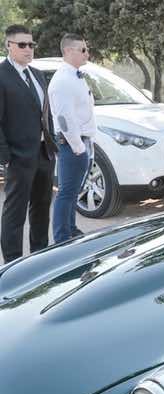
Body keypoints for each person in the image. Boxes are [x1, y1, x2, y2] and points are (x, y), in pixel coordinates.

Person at [0, 25, 56, 263]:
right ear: (8, 46)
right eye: (22, 45)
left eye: (31, 44)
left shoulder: (38, 74)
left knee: (42, 209)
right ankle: (13, 265)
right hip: (18, 156)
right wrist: (5, 156)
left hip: (44, 153)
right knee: (15, 213)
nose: (28, 49)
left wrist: (53, 143)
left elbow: (46, 113)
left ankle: (39, 258)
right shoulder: (2, 75)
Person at [48, 33, 95, 243]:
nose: (87, 53)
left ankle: (71, 230)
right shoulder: (63, 80)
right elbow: (64, 119)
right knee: (66, 193)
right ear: (68, 51)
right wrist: (78, 147)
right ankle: (62, 238)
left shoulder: (75, 76)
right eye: (82, 49)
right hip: (72, 144)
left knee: (73, 191)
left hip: (82, 141)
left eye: (87, 49)